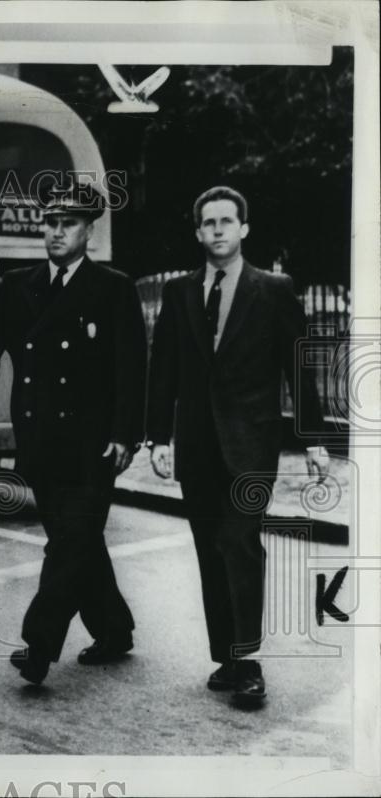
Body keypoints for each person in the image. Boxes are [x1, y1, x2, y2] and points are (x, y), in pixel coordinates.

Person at [146, 185, 330, 707]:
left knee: (241, 545)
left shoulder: (273, 288)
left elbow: (299, 365)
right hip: (198, 447)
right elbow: (164, 371)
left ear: (244, 229)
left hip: (252, 446)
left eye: (228, 220)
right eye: (209, 222)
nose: (219, 229)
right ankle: (227, 656)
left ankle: (248, 662)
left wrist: (315, 441)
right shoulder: (181, 293)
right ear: (198, 232)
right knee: (210, 550)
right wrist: (158, 436)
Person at [0, 181, 146, 685]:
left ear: (89, 230)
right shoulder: (19, 283)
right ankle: (114, 629)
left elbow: (132, 368)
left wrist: (126, 434)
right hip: (40, 439)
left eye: (68, 223)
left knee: (69, 544)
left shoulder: (113, 287)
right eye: (50, 222)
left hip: (93, 445)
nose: (56, 231)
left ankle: (38, 644)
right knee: (79, 541)